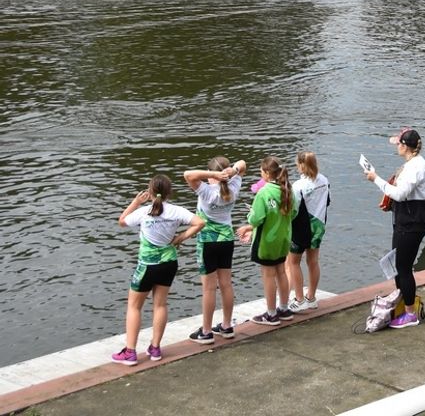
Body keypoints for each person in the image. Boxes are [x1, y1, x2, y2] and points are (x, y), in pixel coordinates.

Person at [113, 175, 204, 365]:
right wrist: (180, 238)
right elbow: (200, 222)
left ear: (151, 191)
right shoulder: (176, 211)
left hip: (147, 265)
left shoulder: (144, 212)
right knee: (160, 305)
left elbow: (122, 221)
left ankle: (130, 352)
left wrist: (135, 202)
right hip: (169, 263)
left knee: (134, 306)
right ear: (169, 192)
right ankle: (155, 349)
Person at [367, 127, 425, 328]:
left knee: (403, 268)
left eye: (398, 144)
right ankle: (404, 304)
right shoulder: (412, 163)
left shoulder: (415, 167)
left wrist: (375, 179)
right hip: (405, 220)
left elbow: (400, 194)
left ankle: (411, 314)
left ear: (406, 146)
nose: (397, 147)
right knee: (398, 265)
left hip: (412, 222)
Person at [182, 156, 246, 344]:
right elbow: (242, 164)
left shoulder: (206, 191)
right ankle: (226, 326)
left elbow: (188, 175)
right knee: (226, 284)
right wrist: (231, 172)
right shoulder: (233, 188)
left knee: (209, 288)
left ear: (212, 176)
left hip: (207, 242)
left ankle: (207, 331)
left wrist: (214, 175)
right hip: (227, 240)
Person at [236, 156, 295, 326]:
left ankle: (271, 314)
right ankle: (284, 308)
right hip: (284, 239)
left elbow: (255, 219)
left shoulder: (263, 192)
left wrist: (249, 218)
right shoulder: (288, 190)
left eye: (261, 171)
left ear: (267, 173)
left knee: (268, 275)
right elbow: (294, 212)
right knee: (282, 272)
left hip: (266, 241)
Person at [287, 151, 330, 313]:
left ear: (301, 165)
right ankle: (311, 298)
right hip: (319, 226)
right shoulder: (324, 180)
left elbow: (293, 211)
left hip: (301, 229)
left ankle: (299, 299)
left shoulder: (298, 186)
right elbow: (327, 201)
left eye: (297, 164)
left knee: (293, 263)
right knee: (313, 261)